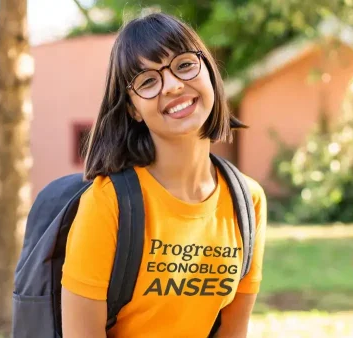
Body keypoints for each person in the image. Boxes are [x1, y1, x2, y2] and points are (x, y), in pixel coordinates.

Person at [60, 11, 267, 338]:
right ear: (132, 109)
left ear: (209, 72)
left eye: (184, 65)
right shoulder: (108, 202)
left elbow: (233, 330)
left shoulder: (247, 200)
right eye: (148, 81)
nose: (172, 86)